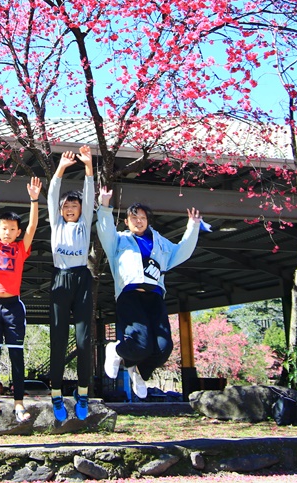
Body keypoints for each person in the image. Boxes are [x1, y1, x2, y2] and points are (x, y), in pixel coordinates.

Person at [96, 188, 203, 398]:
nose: (138, 221)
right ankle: (116, 350)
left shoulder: (161, 243)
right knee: (141, 344)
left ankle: (137, 371)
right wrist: (105, 206)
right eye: (133, 218)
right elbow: (105, 230)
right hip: (130, 295)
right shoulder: (118, 241)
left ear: (148, 221)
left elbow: (182, 251)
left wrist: (193, 226)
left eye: (142, 217)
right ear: (126, 222)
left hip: (155, 297)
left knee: (163, 348)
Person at [0, 172, 41, 427]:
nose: (7, 232)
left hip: (14, 306)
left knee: (16, 355)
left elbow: (34, 227)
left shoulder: (20, 248)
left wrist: (34, 200)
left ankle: (18, 403)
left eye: (12, 229)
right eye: (4, 228)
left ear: (17, 232)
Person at [47, 146, 95, 421]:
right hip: (60, 278)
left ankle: (83, 391)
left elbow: (89, 197)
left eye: (74, 206)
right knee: (58, 337)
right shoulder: (56, 223)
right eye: (66, 207)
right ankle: (55, 393)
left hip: (81, 278)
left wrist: (88, 166)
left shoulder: (84, 222)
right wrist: (61, 168)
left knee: (84, 338)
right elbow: (53, 194)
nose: (70, 210)